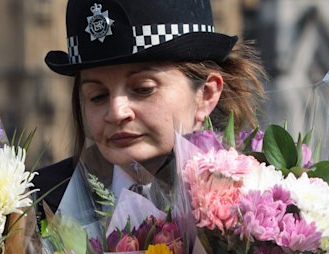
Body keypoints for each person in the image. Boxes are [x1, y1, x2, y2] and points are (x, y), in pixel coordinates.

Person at [34, 0, 266, 224]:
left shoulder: (264, 206)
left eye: (143, 89)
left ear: (206, 94)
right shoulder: (34, 206)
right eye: (98, 96)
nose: (117, 112)